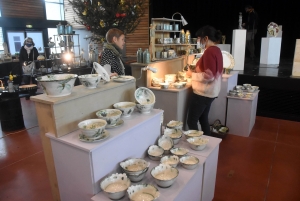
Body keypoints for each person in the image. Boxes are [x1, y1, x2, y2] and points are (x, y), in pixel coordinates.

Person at [186, 25, 223, 136]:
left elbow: (209, 75)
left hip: (203, 93)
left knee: (191, 121)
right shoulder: (217, 50)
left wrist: (192, 75)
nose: (198, 41)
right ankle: (208, 145)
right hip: (211, 92)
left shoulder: (209, 52)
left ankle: (197, 143)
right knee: (203, 120)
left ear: (205, 38)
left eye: (199, 38)